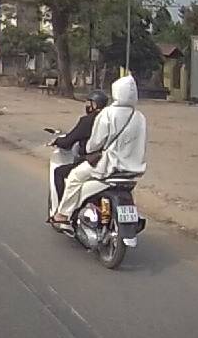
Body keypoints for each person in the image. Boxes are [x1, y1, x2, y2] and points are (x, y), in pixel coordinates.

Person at [52, 75, 147, 226]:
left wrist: (89, 149)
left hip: (107, 166)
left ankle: (63, 214)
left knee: (74, 177)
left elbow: (95, 144)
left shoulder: (108, 114)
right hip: (132, 168)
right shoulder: (139, 117)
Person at [48, 90, 108, 219]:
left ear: (95, 104)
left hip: (93, 162)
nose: (87, 106)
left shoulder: (88, 121)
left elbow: (69, 140)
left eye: (89, 103)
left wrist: (57, 141)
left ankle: (63, 212)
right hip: (117, 164)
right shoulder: (113, 119)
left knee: (60, 173)